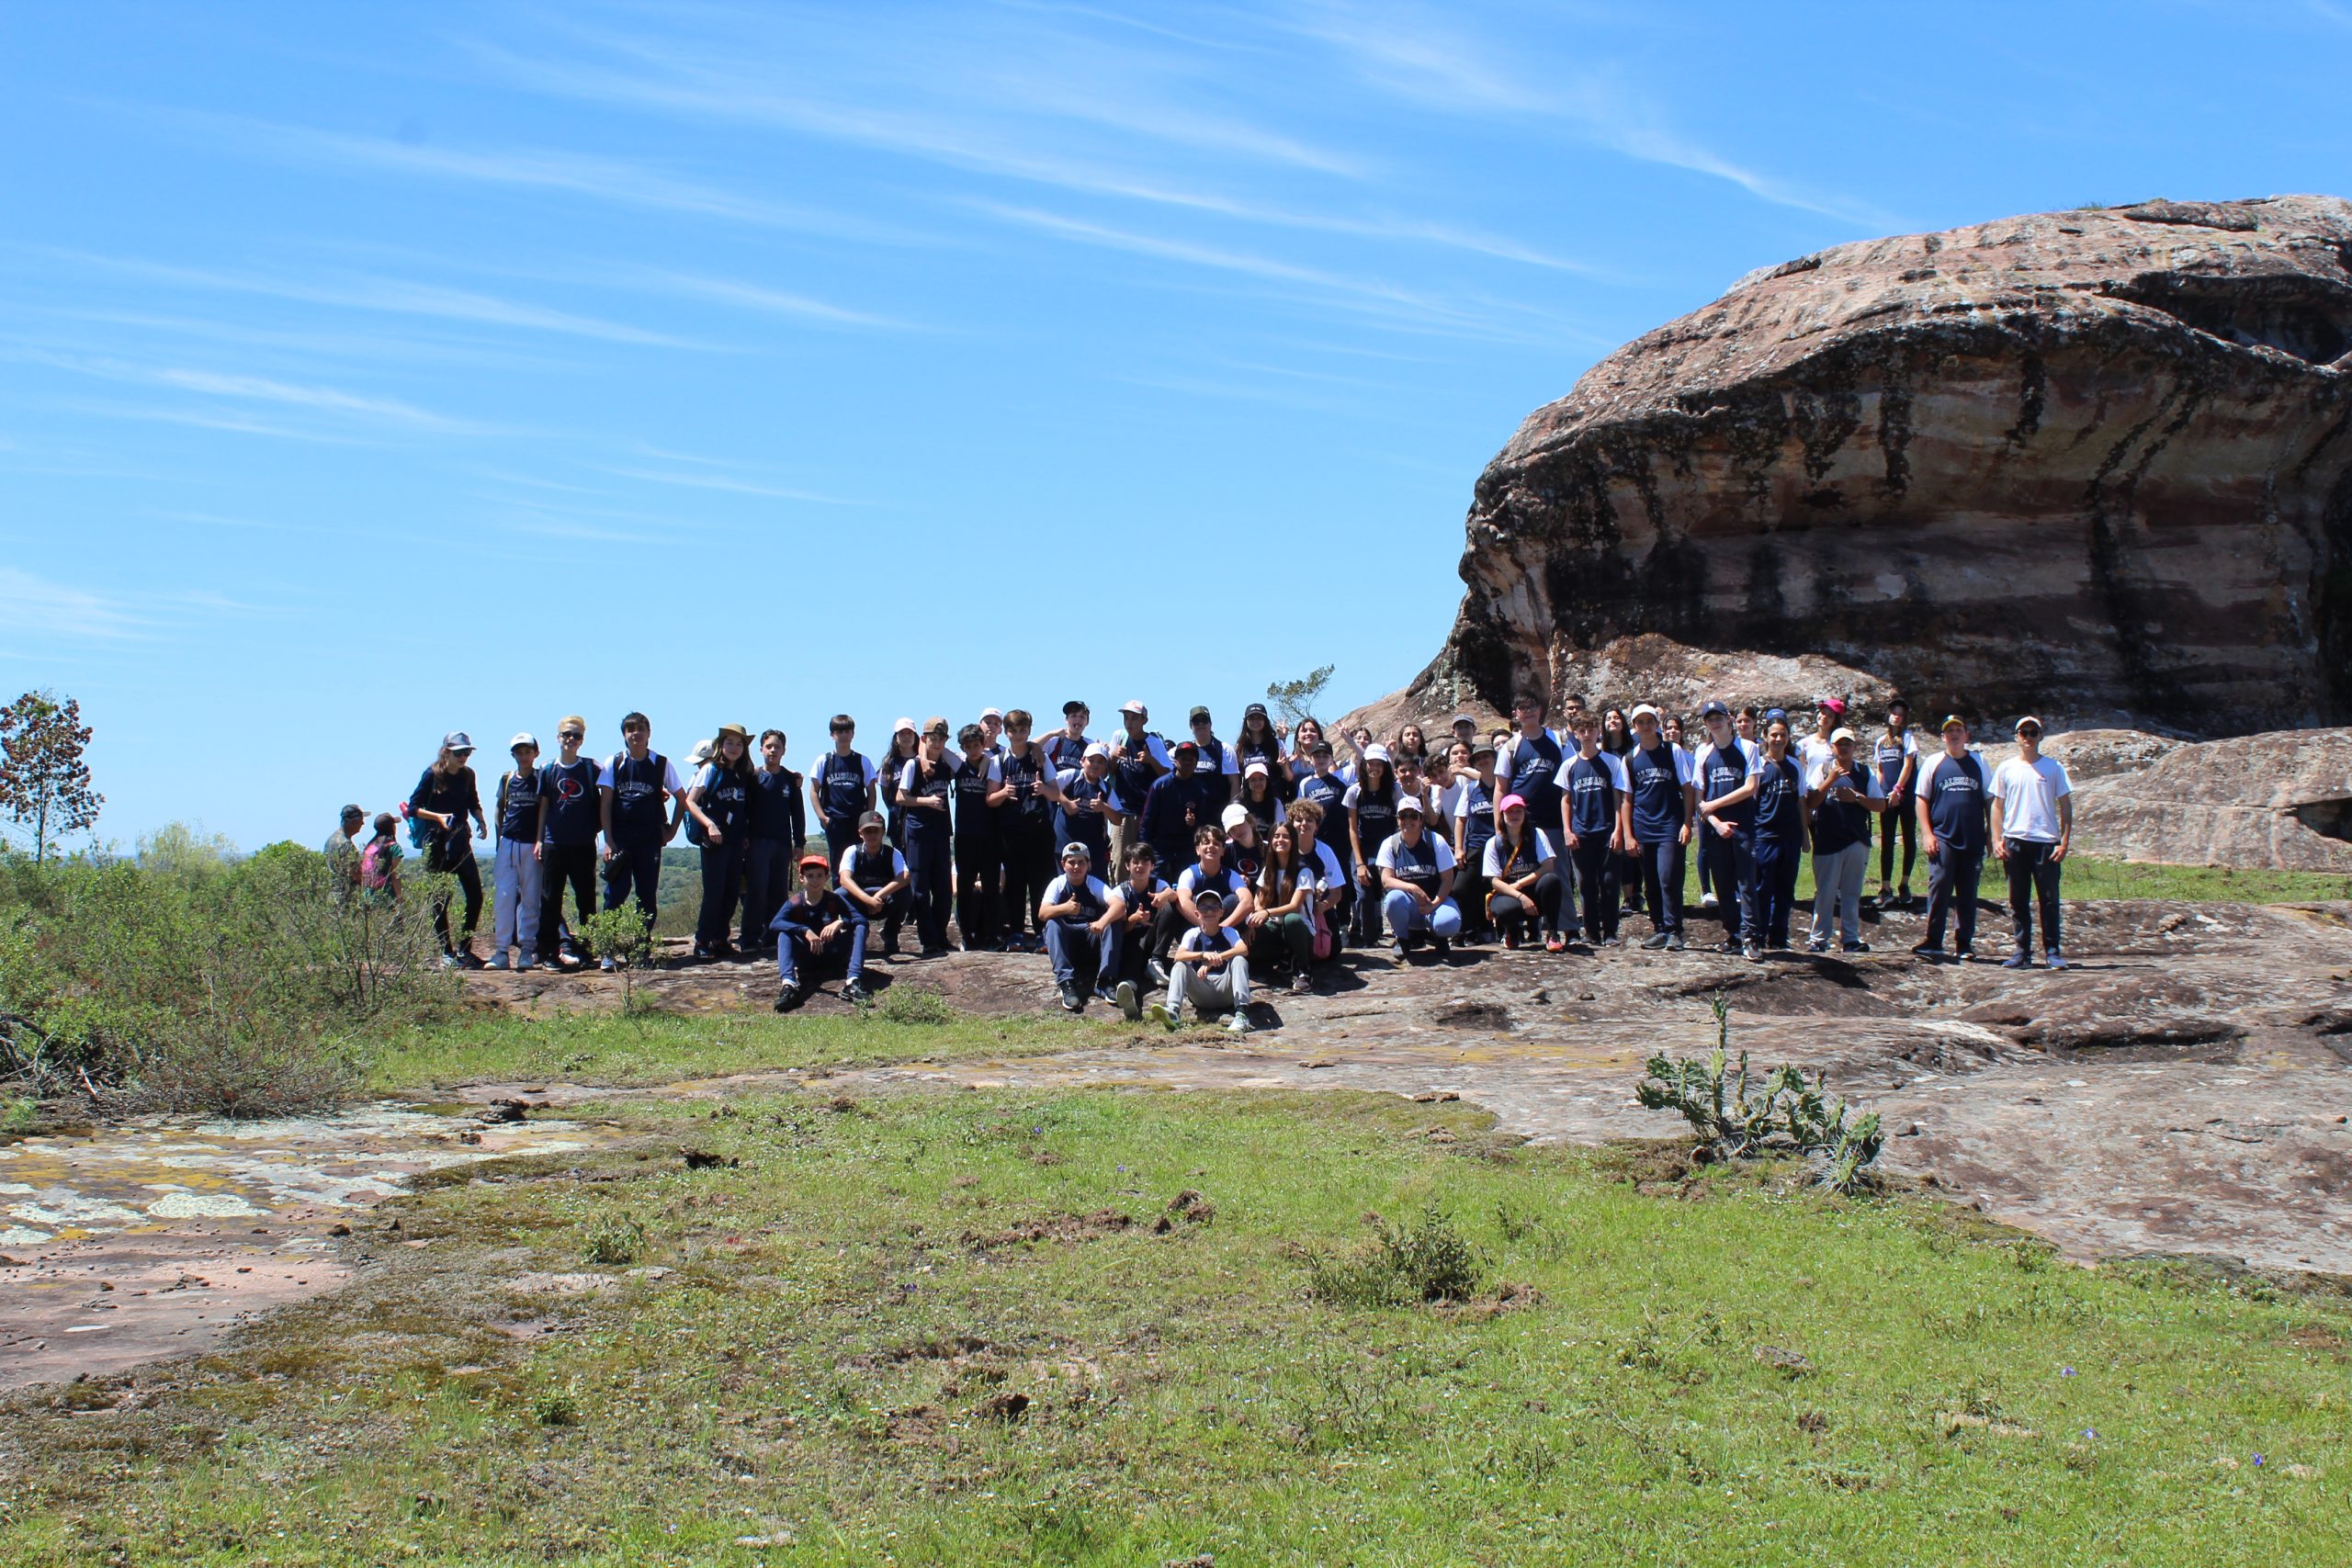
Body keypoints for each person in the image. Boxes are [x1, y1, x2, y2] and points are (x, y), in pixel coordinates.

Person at [598, 712, 684, 963]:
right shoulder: (614, 763)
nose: (636, 733)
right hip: (621, 841)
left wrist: (672, 830)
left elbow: (682, 798)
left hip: (649, 840)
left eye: (641, 728)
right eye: (630, 729)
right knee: (615, 893)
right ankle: (609, 950)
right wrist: (608, 840)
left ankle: (640, 948)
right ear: (624, 735)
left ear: (649, 733)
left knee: (647, 895)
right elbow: (605, 804)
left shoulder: (661, 764)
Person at [1990, 716, 2074, 969]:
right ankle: (2021, 952)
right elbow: (1997, 805)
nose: (2027, 737)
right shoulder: (2006, 768)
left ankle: (2052, 952)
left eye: (2032, 732)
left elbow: (2066, 806)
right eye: (2023, 732)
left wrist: (2064, 841)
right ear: (2016, 737)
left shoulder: (2053, 768)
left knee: (2049, 899)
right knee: (2018, 899)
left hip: (2046, 841)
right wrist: (1996, 838)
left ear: (2040, 736)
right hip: (2015, 840)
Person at [1618, 705, 1696, 951]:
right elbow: (1626, 799)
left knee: (1668, 878)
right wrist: (1628, 835)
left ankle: (1675, 930)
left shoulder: (1673, 751)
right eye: (1640, 722)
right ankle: (1659, 928)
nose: (1645, 726)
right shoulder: (1630, 758)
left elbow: (1687, 788)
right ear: (1635, 727)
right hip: (1644, 827)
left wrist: (1687, 823)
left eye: (1649, 721)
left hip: (1669, 825)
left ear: (1657, 723)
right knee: (1650, 881)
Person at [1915, 716, 1991, 961]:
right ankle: (1934, 939)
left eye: (1959, 730)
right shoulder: (1934, 762)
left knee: (1968, 891)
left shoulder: (1979, 762)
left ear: (1967, 735)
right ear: (1943, 737)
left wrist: (1992, 835)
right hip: (1943, 835)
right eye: (1949, 731)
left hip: (1973, 837)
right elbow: (1921, 798)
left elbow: (1990, 800)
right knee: (1940, 884)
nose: (1954, 735)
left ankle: (1964, 943)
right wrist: (1927, 833)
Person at [409, 731, 488, 968]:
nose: (464, 757)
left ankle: (465, 950)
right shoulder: (432, 775)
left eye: (466, 753)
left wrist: (480, 820)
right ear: (447, 752)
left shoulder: (467, 775)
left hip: (460, 839)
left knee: (475, 894)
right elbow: (413, 808)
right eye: (459, 753)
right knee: (440, 899)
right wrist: (439, 817)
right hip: (436, 841)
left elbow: (473, 802)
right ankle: (446, 951)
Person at [1805, 728, 1887, 953]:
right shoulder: (1821, 770)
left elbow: (1880, 805)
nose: (1843, 748)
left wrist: (1857, 798)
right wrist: (1830, 780)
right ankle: (1819, 938)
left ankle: (1850, 938)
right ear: (1832, 748)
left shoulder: (1863, 772)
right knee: (1826, 892)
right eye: (1839, 744)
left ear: (1854, 747)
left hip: (1855, 839)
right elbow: (1810, 801)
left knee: (1852, 893)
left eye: (1847, 744)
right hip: (1827, 839)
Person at [534, 716, 601, 968]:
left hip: (583, 844)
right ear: (557, 737)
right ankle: (549, 953)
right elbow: (544, 806)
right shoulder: (548, 769)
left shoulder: (591, 768)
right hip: (554, 843)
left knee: (586, 900)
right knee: (550, 899)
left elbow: (605, 803)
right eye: (566, 734)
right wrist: (539, 840)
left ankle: (586, 950)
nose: (570, 739)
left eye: (576, 735)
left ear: (582, 740)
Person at [684, 724, 753, 962]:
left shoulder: (743, 774)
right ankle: (702, 940)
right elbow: (690, 801)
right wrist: (709, 824)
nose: (734, 748)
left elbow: (742, 808)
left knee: (731, 891)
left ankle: (720, 939)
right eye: (730, 742)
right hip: (714, 842)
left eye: (739, 743)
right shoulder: (711, 769)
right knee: (714, 892)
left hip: (734, 841)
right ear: (720, 746)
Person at [1692, 701, 1758, 952]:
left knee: (1746, 883)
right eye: (1710, 719)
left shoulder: (1748, 747)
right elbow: (1699, 797)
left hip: (1743, 826)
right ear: (1705, 724)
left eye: (1719, 717)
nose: (1715, 722)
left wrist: (1714, 805)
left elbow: (1751, 787)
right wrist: (1715, 822)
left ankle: (1751, 937)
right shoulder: (1704, 754)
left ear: (1729, 719)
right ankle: (1733, 934)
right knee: (1722, 883)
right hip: (1715, 829)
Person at [1555, 711, 1625, 947]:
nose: (1586, 735)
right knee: (1585, 885)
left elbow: (1619, 798)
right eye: (1582, 731)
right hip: (1580, 832)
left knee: (1609, 883)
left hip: (1606, 831)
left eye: (1591, 730)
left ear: (1598, 732)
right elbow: (1566, 799)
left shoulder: (1611, 762)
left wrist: (1619, 830)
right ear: (1575, 734)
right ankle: (1592, 932)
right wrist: (1567, 830)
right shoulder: (1570, 765)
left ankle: (1611, 932)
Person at [1150, 826, 1252, 978]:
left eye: (1217, 844)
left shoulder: (1231, 875)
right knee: (1171, 904)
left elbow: (1248, 901)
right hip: (1194, 929)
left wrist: (1221, 927)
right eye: (1206, 843)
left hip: (1221, 930)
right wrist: (1205, 926)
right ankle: (1157, 960)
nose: (1211, 846)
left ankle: (1226, 952)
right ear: (1198, 850)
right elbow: (1183, 902)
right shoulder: (1189, 873)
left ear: (1223, 850)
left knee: (1233, 900)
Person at [771, 854, 869, 1010]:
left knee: (860, 928)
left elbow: (861, 920)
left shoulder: (833, 899)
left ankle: (853, 981)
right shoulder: (795, 902)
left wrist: (840, 922)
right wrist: (805, 931)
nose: (815, 880)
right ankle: (789, 987)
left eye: (819, 875)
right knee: (784, 934)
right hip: (806, 957)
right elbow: (775, 924)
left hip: (833, 952)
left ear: (826, 878)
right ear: (802, 878)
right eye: (810, 876)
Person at [996, 709, 1059, 952]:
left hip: (1040, 830)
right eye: (1014, 730)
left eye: (1024, 730)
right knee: (1014, 884)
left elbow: (1056, 793)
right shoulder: (999, 761)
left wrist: (1043, 789)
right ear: (1007, 732)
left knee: (1040, 884)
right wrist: (1004, 793)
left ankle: (1042, 932)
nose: (1019, 734)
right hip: (1011, 832)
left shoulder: (1041, 758)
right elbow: (991, 797)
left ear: (1029, 731)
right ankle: (1016, 933)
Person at [1151, 886, 1251, 1035]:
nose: (1209, 911)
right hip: (1200, 991)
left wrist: (1214, 960)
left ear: (1221, 912)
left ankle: (1241, 1014)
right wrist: (1203, 955)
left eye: (1214, 907)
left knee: (1239, 961)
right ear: (1197, 914)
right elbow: (1179, 955)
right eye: (1204, 907)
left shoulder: (1229, 932)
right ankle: (1173, 1011)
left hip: (1226, 991)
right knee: (1180, 966)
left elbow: (1243, 949)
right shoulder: (1192, 934)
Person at [899, 718, 960, 957]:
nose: (937, 742)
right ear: (924, 739)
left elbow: (963, 764)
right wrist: (926, 801)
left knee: (943, 888)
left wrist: (935, 752)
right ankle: (928, 940)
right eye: (932, 738)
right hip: (918, 830)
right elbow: (900, 797)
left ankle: (941, 935)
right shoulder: (913, 766)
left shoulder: (946, 762)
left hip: (941, 831)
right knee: (921, 888)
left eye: (941, 738)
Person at [741, 729, 806, 954]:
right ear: (761, 749)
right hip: (757, 843)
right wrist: (745, 836)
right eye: (768, 746)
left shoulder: (790, 780)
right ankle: (749, 938)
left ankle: (774, 936)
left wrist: (799, 843)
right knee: (757, 890)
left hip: (782, 844)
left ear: (784, 751)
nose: (773, 750)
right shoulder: (754, 778)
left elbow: (798, 813)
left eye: (777, 747)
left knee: (778, 892)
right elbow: (745, 810)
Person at [1376, 797, 1462, 959]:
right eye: (1403, 816)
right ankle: (1402, 938)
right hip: (1408, 904)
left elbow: (1447, 880)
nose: (1408, 820)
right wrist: (1413, 888)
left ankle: (1440, 938)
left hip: (1436, 901)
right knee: (1393, 899)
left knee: (1449, 923)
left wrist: (1434, 904)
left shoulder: (1436, 841)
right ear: (1397, 819)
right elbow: (1386, 880)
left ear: (1421, 819)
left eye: (1413, 816)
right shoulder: (1390, 844)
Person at [488, 732, 546, 970]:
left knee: (531, 897)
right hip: (509, 842)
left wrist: (540, 839)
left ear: (535, 753)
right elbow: (500, 808)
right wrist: (499, 838)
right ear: (513, 754)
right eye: (519, 752)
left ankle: (527, 949)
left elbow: (544, 808)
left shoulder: (541, 778)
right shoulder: (507, 779)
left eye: (527, 751)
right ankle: (501, 951)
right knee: (504, 897)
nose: (523, 756)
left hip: (531, 843)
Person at [1038, 842, 1117, 1011]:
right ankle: (1067, 983)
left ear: (1089, 865)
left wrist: (1102, 922)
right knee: (1052, 923)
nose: (1076, 867)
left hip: (1091, 940)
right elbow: (1042, 913)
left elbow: (1118, 905)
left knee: (1113, 921)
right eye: (1071, 862)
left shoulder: (1095, 884)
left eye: (1081, 862)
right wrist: (1064, 909)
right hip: (1067, 946)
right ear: (1063, 864)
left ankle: (1105, 981)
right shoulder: (1057, 884)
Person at [951, 723, 1010, 952]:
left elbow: (1018, 749)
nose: (973, 750)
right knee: (965, 887)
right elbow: (926, 744)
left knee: (991, 887)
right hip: (965, 836)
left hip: (990, 835)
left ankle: (992, 934)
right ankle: (967, 934)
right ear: (963, 747)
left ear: (983, 745)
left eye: (977, 745)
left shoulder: (994, 763)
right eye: (968, 746)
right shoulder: (958, 763)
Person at [1484, 794, 1566, 951]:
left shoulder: (1537, 835)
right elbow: (1494, 881)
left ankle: (1552, 932)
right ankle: (1512, 932)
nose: (1514, 815)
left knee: (1551, 881)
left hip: (1533, 889)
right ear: (1502, 815)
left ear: (1524, 814)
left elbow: (1548, 866)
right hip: (1508, 894)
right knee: (1506, 909)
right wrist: (1520, 897)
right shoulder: (1494, 843)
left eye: (1518, 811)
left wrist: (1520, 884)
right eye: (1510, 812)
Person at [1245, 821, 1318, 991]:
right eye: (1276, 836)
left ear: (1293, 841)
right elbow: (1259, 900)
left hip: (1301, 929)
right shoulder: (1269, 869)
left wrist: (1266, 913)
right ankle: (1283, 957)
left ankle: (1304, 971)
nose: (1280, 840)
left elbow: (1295, 906)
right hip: (1275, 927)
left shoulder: (1303, 870)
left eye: (1286, 836)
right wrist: (1252, 923)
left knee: (1291, 920)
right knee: (1248, 943)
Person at [1295, 739, 1354, 942]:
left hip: (1339, 841)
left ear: (1331, 758)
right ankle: (1315, 920)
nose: (1320, 759)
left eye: (1324, 756)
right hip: (1315, 840)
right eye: (1317, 756)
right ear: (1311, 759)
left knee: (1341, 881)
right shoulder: (1305, 783)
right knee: (1316, 880)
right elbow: (1299, 809)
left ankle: (1344, 923)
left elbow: (1348, 813)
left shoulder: (1340, 783)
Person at [1105, 843, 1173, 1018]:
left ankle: (1155, 962)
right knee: (1135, 953)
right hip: (1131, 942)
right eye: (1135, 862)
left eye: (1145, 862)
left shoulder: (1158, 884)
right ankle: (1130, 996)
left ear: (1152, 865)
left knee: (1170, 908)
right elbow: (1119, 931)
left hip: (1152, 940)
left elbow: (1175, 895)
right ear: (1127, 866)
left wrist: (1166, 895)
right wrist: (1132, 920)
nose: (1140, 866)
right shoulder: (1120, 891)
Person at [1138, 739, 1222, 876]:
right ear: (1176, 761)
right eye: (1183, 758)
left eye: (1191, 759)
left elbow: (1203, 825)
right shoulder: (1160, 786)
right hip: (1160, 848)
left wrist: (1194, 823)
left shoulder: (1200, 790)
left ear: (1196, 763)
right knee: (1157, 886)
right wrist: (1145, 851)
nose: (1187, 762)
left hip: (1186, 848)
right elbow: (1146, 822)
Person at [1104, 700, 1170, 874]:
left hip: (1147, 812)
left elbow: (1167, 775)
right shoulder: (1119, 737)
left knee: (1146, 861)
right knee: (1119, 862)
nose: (1129, 723)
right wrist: (1113, 757)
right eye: (1126, 718)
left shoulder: (1154, 742)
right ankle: (1121, 900)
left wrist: (1151, 760)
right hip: (1123, 810)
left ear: (1144, 721)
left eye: (1134, 718)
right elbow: (1109, 771)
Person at [1345, 743, 1401, 943]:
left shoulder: (1394, 790)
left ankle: (1400, 933)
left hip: (1387, 848)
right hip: (1363, 847)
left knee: (1389, 891)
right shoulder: (1354, 792)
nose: (1374, 768)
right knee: (1364, 893)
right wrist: (1359, 863)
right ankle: (1370, 937)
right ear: (1364, 765)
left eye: (1379, 764)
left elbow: (1399, 823)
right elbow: (1352, 828)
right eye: (1371, 764)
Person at [808, 715, 878, 874]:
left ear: (853, 734)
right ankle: (839, 898)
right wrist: (822, 817)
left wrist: (867, 817)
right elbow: (813, 791)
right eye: (839, 732)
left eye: (847, 731)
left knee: (859, 863)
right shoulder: (824, 760)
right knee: (837, 866)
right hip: (834, 821)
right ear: (832, 734)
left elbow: (872, 792)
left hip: (857, 821)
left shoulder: (862, 761)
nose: (843, 736)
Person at [1285, 797, 1348, 970]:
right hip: (1291, 909)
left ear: (1317, 826)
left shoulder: (1325, 851)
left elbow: (1337, 892)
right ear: (1291, 824)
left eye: (1309, 820)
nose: (1303, 824)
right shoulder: (1283, 848)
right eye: (1298, 820)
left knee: (1332, 953)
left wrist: (1323, 906)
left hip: (1318, 911)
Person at [838, 810, 910, 958]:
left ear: (883, 832)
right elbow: (844, 879)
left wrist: (877, 896)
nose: (872, 835)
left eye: (875, 830)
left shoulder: (893, 853)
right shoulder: (852, 851)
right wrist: (868, 900)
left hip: (883, 902)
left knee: (906, 893)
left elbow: (905, 876)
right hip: (860, 904)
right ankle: (853, 934)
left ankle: (891, 934)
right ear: (860, 833)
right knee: (840, 894)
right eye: (867, 831)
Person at [1447, 739, 1498, 941]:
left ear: (1495, 759)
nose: (1483, 761)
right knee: (1462, 888)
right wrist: (1459, 849)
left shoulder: (1504, 785)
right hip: (1476, 846)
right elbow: (1460, 820)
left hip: (1500, 846)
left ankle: (1490, 930)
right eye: (1478, 758)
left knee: (1491, 888)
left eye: (1486, 756)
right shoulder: (1471, 789)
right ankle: (1468, 928)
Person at [1054, 742, 1127, 877]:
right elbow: (1048, 787)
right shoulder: (1071, 776)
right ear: (1082, 761)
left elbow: (1118, 818)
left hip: (1092, 851)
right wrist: (1066, 803)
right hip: (1065, 845)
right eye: (1091, 760)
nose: (1095, 765)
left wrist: (1103, 807)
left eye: (1100, 762)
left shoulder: (1106, 788)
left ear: (1104, 766)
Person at [1874, 699, 1921, 907]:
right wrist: (1876, 791)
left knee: (1909, 837)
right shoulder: (1881, 742)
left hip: (1905, 795)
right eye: (1894, 712)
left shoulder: (1908, 738)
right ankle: (1885, 887)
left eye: (1901, 714)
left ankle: (1904, 883)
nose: (1897, 716)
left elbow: (1908, 765)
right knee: (1887, 840)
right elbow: (1880, 769)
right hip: (1887, 796)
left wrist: (1898, 789)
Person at [1601, 705, 1644, 916]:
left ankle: (1635, 893)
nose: (1612, 721)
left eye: (1616, 717)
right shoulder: (1602, 751)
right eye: (1608, 718)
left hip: (1634, 802)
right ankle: (1626, 896)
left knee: (1633, 851)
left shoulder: (1633, 747)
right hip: (1609, 804)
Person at [876, 718, 921, 852]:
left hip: (920, 819)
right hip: (897, 822)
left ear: (915, 737)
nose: (906, 737)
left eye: (909, 733)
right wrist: (894, 810)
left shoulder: (922, 761)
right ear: (896, 738)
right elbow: (885, 794)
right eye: (902, 733)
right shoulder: (889, 764)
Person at [1185, 705, 1238, 801]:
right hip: (1192, 812)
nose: (1200, 724)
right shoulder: (1184, 751)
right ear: (1191, 726)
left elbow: (1234, 782)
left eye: (1204, 720)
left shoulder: (1224, 749)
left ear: (1210, 723)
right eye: (1196, 721)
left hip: (1218, 811)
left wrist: (1233, 810)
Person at [1235, 704, 1287, 792]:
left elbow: (1287, 773)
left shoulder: (1276, 744)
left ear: (1265, 721)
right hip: (1249, 798)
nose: (1255, 721)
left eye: (1259, 718)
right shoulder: (1239, 748)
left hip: (1273, 796)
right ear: (1246, 722)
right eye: (1251, 718)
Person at [1235, 760, 1284, 843]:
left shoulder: (1276, 803)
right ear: (1247, 783)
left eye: (1261, 779)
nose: (1257, 783)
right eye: (1253, 780)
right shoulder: (1238, 804)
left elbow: (1280, 829)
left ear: (1266, 781)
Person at [360, 811, 404, 906]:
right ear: (392, 827)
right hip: (388, 898)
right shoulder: (394, 847)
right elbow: (395, 876)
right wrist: (400, 901)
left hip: (368, 898)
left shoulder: (369, 847)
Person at [1798, 697, 1847, 779]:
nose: (1824, 717)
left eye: (1830, 716)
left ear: (1834, 721)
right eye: (1823, 713)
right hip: (1809, 789)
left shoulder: (1837, 745)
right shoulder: (1803, 744)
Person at [326, 804, 366, 899]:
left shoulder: (331, 840)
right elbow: (355, 874)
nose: (363, 823)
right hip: (345, 898)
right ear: (351, 821)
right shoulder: (345, 844)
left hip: (332, 895)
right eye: (361, 819)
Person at [1043, 701, 1093, 774]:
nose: (1078, 719)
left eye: (1082, 717)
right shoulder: (1055, 741)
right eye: (1074, 716)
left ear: (1087, 722)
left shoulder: (1090, 745)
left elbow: (1102, 773)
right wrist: (1050, 734)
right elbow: (1029, 747)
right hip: (1054, 785)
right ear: (1066, 719)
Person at [1219, 801, 1264, 882]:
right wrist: (1234, 881)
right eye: (1232, 829)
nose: (1238, 831)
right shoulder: (1227, 851)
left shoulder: (1268, 849)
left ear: (1250, 821)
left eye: (1240, 824)